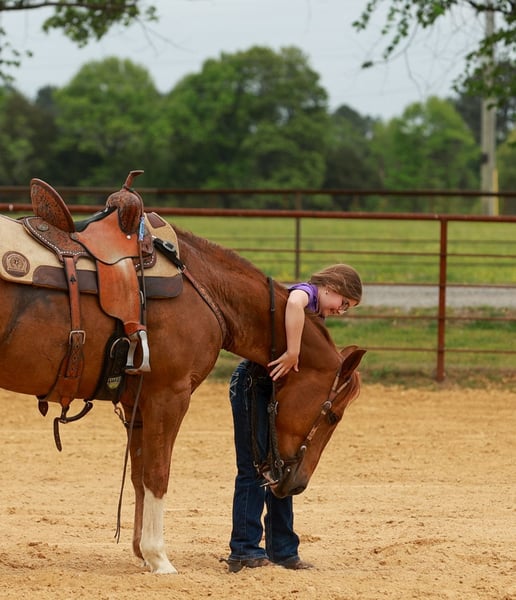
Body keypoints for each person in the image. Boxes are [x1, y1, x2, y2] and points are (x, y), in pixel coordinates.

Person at [226, 264, 362, 573]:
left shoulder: (317, 314)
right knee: (254, 467)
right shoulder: (307, 294)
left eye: (347, 309)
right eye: (343, 302)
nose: (341, 311)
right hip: (253, 384)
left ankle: (283, 550)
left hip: (273, 389)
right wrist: (292, 353)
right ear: (330, 287)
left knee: (280, 464)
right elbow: (294, 302)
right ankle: (244, 550)